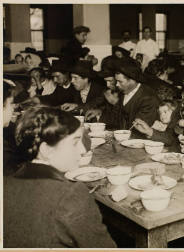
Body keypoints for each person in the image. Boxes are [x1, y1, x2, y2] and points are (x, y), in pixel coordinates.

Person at [3, 107, 116, 248]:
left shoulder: (6, 183)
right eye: (75, 142)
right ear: (46, 150)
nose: (82, 150)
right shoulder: (70, 195)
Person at [114, 58, 160, 136]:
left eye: (120, 81)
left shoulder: (149, 98)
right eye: (116, 81)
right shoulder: (124, 91)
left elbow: (139, 130)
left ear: (132, 80)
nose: (117, 85)